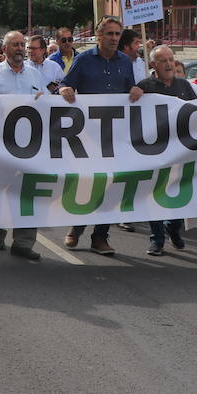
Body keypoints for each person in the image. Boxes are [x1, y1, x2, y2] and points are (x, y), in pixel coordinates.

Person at [58, 16, 142, 255]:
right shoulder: (83, 60)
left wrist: (136, 90)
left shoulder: (125, 62)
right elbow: (64, 84)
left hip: (115, 138)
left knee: (111, 187)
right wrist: (65, 90)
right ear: (99, 35)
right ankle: (77, 227)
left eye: (117, 34)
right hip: (87, 136)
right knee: (88, 183)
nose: (114, 39)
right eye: (110, 34)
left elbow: (130, 92)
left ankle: (100, 237)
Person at [0, 30, 47, 261]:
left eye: (22, 44)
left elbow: (45, 104)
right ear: (3, 49)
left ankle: (23, 243)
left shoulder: (35, 75)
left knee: (27, 193)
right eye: (15, 44)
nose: (20, 48)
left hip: (29, 147)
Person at [135, 45, 197, 256]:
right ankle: (157, 239)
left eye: (171, 59)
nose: (169, 63)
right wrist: (133, 94)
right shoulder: (145, 86)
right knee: (155, 195)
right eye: (163, 60)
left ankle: (173, 228)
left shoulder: (184, 86)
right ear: (153, 65)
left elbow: (196, 112)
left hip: (180, 151)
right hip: (155, 152)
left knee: (180, 193)